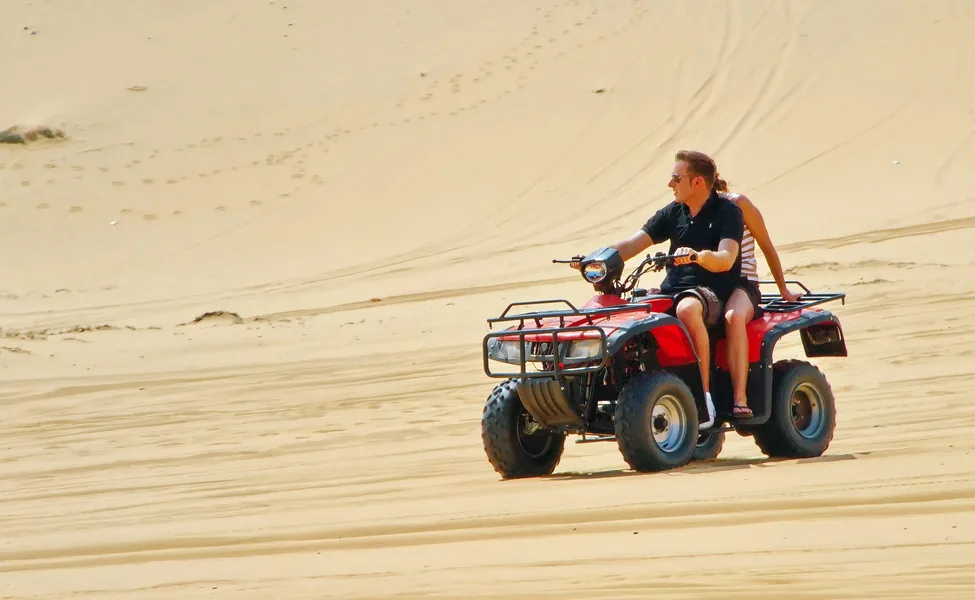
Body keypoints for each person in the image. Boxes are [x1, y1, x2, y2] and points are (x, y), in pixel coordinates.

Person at [576, 150, 744, 430]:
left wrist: (698, 256)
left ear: (697, 182)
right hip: (671, 290)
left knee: (687, 308)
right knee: (630, 312)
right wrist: (596, 258)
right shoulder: (673, 212)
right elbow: (632, 245)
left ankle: (703, 399)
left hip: (713, 292)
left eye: (676, 178)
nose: (670, 184)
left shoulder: (728, 212)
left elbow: (726, 259)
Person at [717, 183, 802, 419]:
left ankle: (740, 397)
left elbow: (766, 244)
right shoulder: (693, 211)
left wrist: (783, 289)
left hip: (743, 283)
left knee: (734, 316)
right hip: (711, 285)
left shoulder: (738, 204)